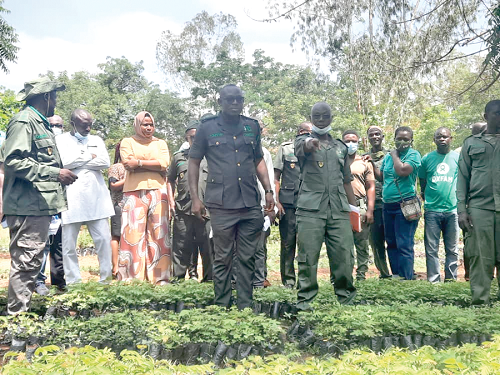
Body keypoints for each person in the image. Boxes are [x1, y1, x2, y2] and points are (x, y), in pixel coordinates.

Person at [188, 84, 274, 310]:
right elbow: (194, 162)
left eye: (239, 99)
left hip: (249, 202)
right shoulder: (207, 128)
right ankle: (222, 305)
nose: (235, 103)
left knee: (247, 257)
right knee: (223, 257)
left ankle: (245, 306)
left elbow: (258, 160)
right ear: (220, 102)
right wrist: (195, 198)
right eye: (229, 100)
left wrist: (268, 190)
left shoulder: (251, 126)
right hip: (221, 203)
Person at [3, 77, 77, 314]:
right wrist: (55, 173)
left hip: (36, 204)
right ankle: (17, 317)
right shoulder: (25, 122)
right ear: (46, 97)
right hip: (27, 206)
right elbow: (13, 161)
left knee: (31, 260)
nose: (55, 100)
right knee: (26, 261)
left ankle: (20, 312)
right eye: (54, 95)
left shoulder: (39, 123)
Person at [295, 102, 357, 311]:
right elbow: (302, 148)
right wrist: (309, 144)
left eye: (325, 116)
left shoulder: (341, 147)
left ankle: (346, 299)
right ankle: (305, 302)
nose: (321, 120)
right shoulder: (303, 140)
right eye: (317, 116)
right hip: (310, 210)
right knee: (307, 257)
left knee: (344, 255)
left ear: (331, 118)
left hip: (339, 209)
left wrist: (355, 210)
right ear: (311, 119)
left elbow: (346, 180)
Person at [56, 109, 114, 284]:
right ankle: (74, 282)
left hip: (97, 199)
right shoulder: (61, 140)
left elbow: (104, 162)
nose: (88, 128)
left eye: (90, 124)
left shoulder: (96, 140)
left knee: (104, 240)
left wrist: (78, 162)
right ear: (73, 123)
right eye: (84, 125)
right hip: (72, 199)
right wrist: (89, 156)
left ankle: (105, 280)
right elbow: (64, 162)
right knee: (68, 245)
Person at [118, 111, 172, 284]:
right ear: (137, 125)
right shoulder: (127, 142)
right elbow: (127, 163)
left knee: (159, 235)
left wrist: (139, 163)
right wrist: (153, 165)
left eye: (151, 124)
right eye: (145, 124)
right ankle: (131, 280)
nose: (148, 128)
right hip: (133, 192)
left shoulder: (160, 143)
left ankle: (160, 279)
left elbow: (164, 163)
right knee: (132, 235)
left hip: (158, 191)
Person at [457, 100, 500, 305]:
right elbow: (462, 178)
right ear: (486, 117)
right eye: (497, 114)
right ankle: (481, 302)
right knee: (480, 257)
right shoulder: (471, 143)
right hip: (479, 209)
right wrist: (461, 210)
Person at [370, 126, 421, 280]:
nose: (402, 142)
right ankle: (397, 275)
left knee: (404, 243)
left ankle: (407, 277)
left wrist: (394, 155)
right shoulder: (387, 158)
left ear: (411, 140)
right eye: (399, 138)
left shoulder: (413, 155)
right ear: (394, 139)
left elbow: (402, 171)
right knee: (391, 242)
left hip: (405, 204)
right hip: (388, 205)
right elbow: (382, 177)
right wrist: (372, 164)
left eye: (406, 139)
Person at [168, 120, 213, 282]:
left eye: (198, 136)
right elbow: (170, 180)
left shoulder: (212, 156)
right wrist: (171, 201)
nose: (195, 139)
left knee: (208, 248)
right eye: (191, 137)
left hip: (206, 210)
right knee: (180, 247)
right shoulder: (178, 157)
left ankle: (209, 282)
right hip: (183, 208)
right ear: (187, 138)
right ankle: (178, 281)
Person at [274, 122, 312, 288]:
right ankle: (288, 281)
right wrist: (276, 202)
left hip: (310, 204)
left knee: (307, 245)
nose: (307, 135)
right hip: (288, 204)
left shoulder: (317, 148)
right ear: (299, 132)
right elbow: (276, 177)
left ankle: (305, 281)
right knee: (288, 243)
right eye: (305, 132)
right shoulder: (285, 149)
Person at [419, 127, 459, 283]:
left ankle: (451, 280)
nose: (442, 139)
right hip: (432, 210)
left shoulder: (457, 158)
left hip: (452, 210)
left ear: (451, 139)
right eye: (439, 137)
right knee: (431, 249)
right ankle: (434, 281)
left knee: (452, 249)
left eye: (445, 137)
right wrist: (425, 195)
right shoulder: (427, 159)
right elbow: (422, 180)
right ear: (434, 140)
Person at [34, 115, 67, 294]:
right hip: (42, 199)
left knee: (59, 243)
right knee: (42, 243)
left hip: (60, 201)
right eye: (53, 125)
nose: (56, 128)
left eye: (59, 125)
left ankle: (59, 280)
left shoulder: (64, 146)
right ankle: (38, 281)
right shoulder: (40, 146)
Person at [342, 130, 375, 280]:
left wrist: (370, 210)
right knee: (343, 242)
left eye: (353, 141)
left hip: (360, 205)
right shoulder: (336, 161)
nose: (350, 144)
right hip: (340, 206)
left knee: (361, 242)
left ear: (358, 143)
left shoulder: (364, 162)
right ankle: (345, 274)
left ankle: (361, 274)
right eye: (347, 140)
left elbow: (371, 186)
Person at [458, 122, 486, 281]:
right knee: (472, 246)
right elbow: (462, 179)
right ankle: (469, 275)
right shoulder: (466, 148)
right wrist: (463, 208)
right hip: (474, 207)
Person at [363, 126, 391, 278]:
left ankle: (400, 273)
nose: (374, 137)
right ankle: (384, 274)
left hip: (390, 203)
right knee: (376, 243)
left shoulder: (390, 155)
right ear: (367, 138)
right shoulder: (363, 157)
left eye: (377, 134)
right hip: (373, 206)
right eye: (371, 135)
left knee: (394, 241)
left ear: (382, 136)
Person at [253, 122, 277, 289]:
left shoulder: (265, 153)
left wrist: (271, 207)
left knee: (260, 245)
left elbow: (268, 181)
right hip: (240, 204)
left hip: (261, 205)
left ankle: (260, 279)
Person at [108, 141, 125, 277]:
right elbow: (113, 185)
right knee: (116, 236)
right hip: (118, 205)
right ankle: (115, 267)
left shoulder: (134, 167)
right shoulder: (115, 167)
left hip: (133, 207)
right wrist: (129, 178)